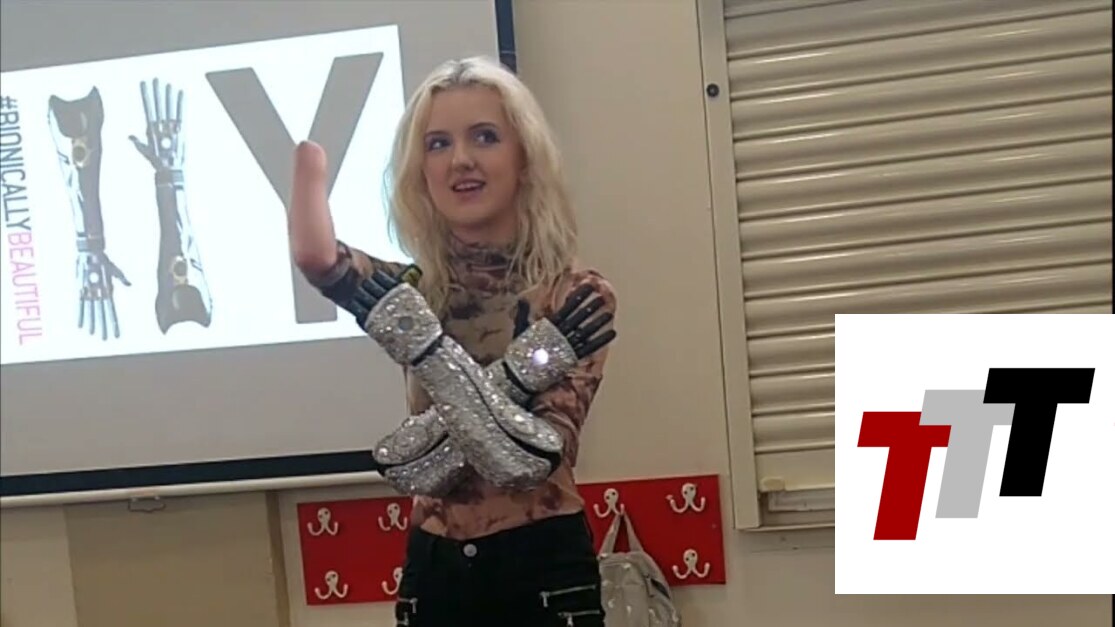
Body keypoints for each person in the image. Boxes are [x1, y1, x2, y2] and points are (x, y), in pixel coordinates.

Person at [288, 56, 618, 627]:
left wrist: (424, 358)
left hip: (542, 566)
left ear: (524, 157)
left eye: (484, 137)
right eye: (438, 144)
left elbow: (531, 461)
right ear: (420, 170)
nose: (460, 160)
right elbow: (319, 259)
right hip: (435, 567)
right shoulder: (413, 292)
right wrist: (520, 375)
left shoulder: (574, 296)